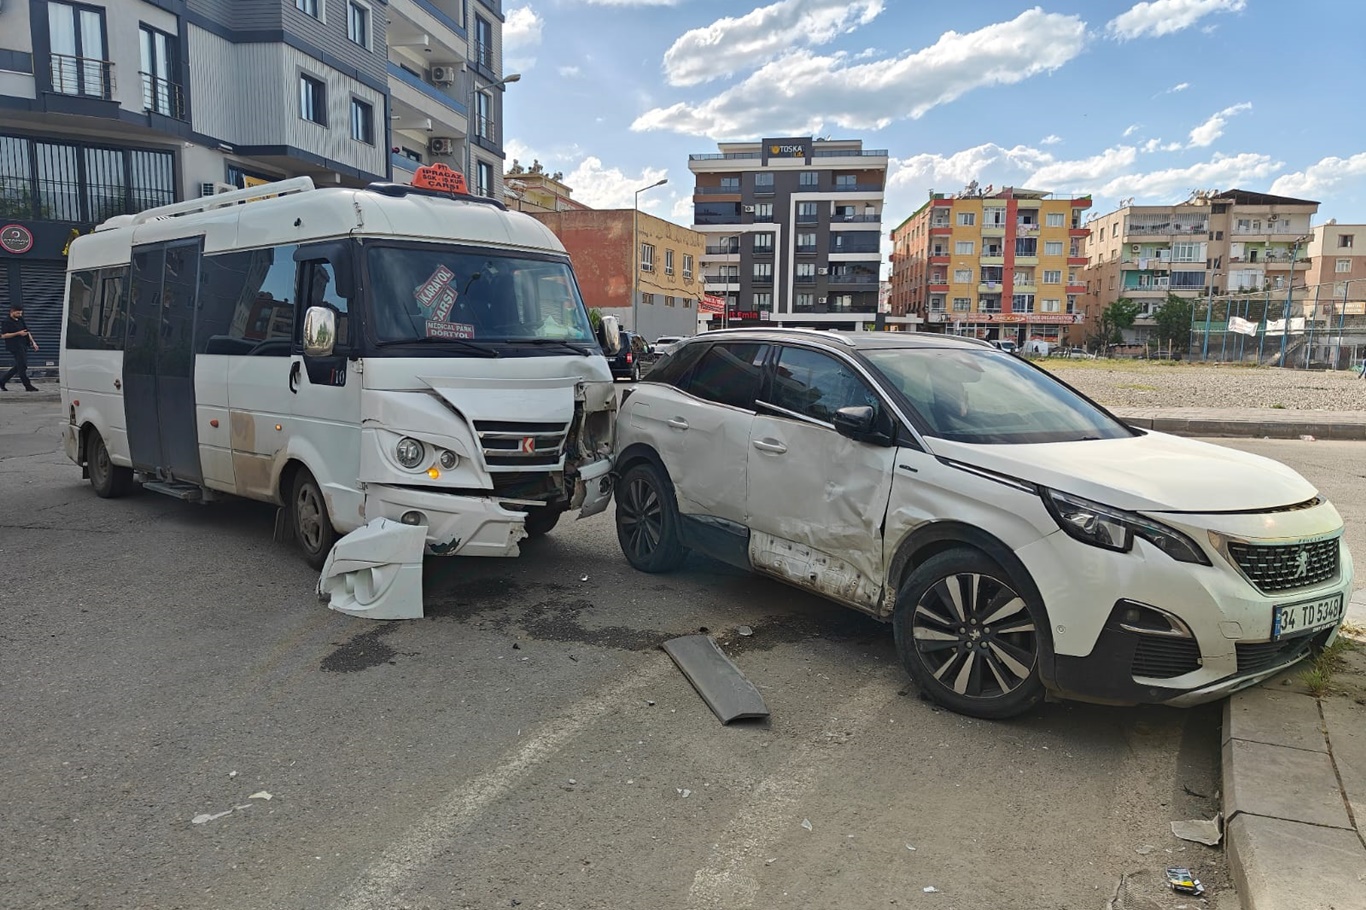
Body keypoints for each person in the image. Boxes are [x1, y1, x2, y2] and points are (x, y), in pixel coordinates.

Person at [1, 304, 39, 391]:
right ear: (12, 312)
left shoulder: (21, 319)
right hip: (14, 346)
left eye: (21, 313)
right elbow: (3, 335)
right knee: (23, 366)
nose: (20, 315)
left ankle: (2, 381)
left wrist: (33, 343)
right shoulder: (6, 322)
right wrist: (18, 333)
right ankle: (27, 386)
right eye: (18, 313)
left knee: (19, 366)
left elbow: (27, 331)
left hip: (23, 345)